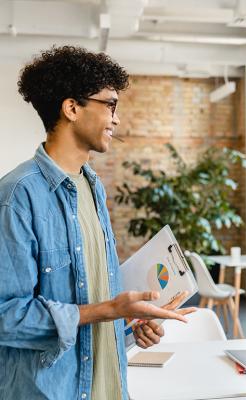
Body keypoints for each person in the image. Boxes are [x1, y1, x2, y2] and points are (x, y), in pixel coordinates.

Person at [0, 46, 195, 400]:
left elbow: (91, 302)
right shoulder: (17, 196)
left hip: (108, 386)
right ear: (72, 108)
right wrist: (110, 310)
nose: (116, 118)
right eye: (110, 104)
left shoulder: (93, 188)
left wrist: (131, 325)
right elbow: (6, 316)